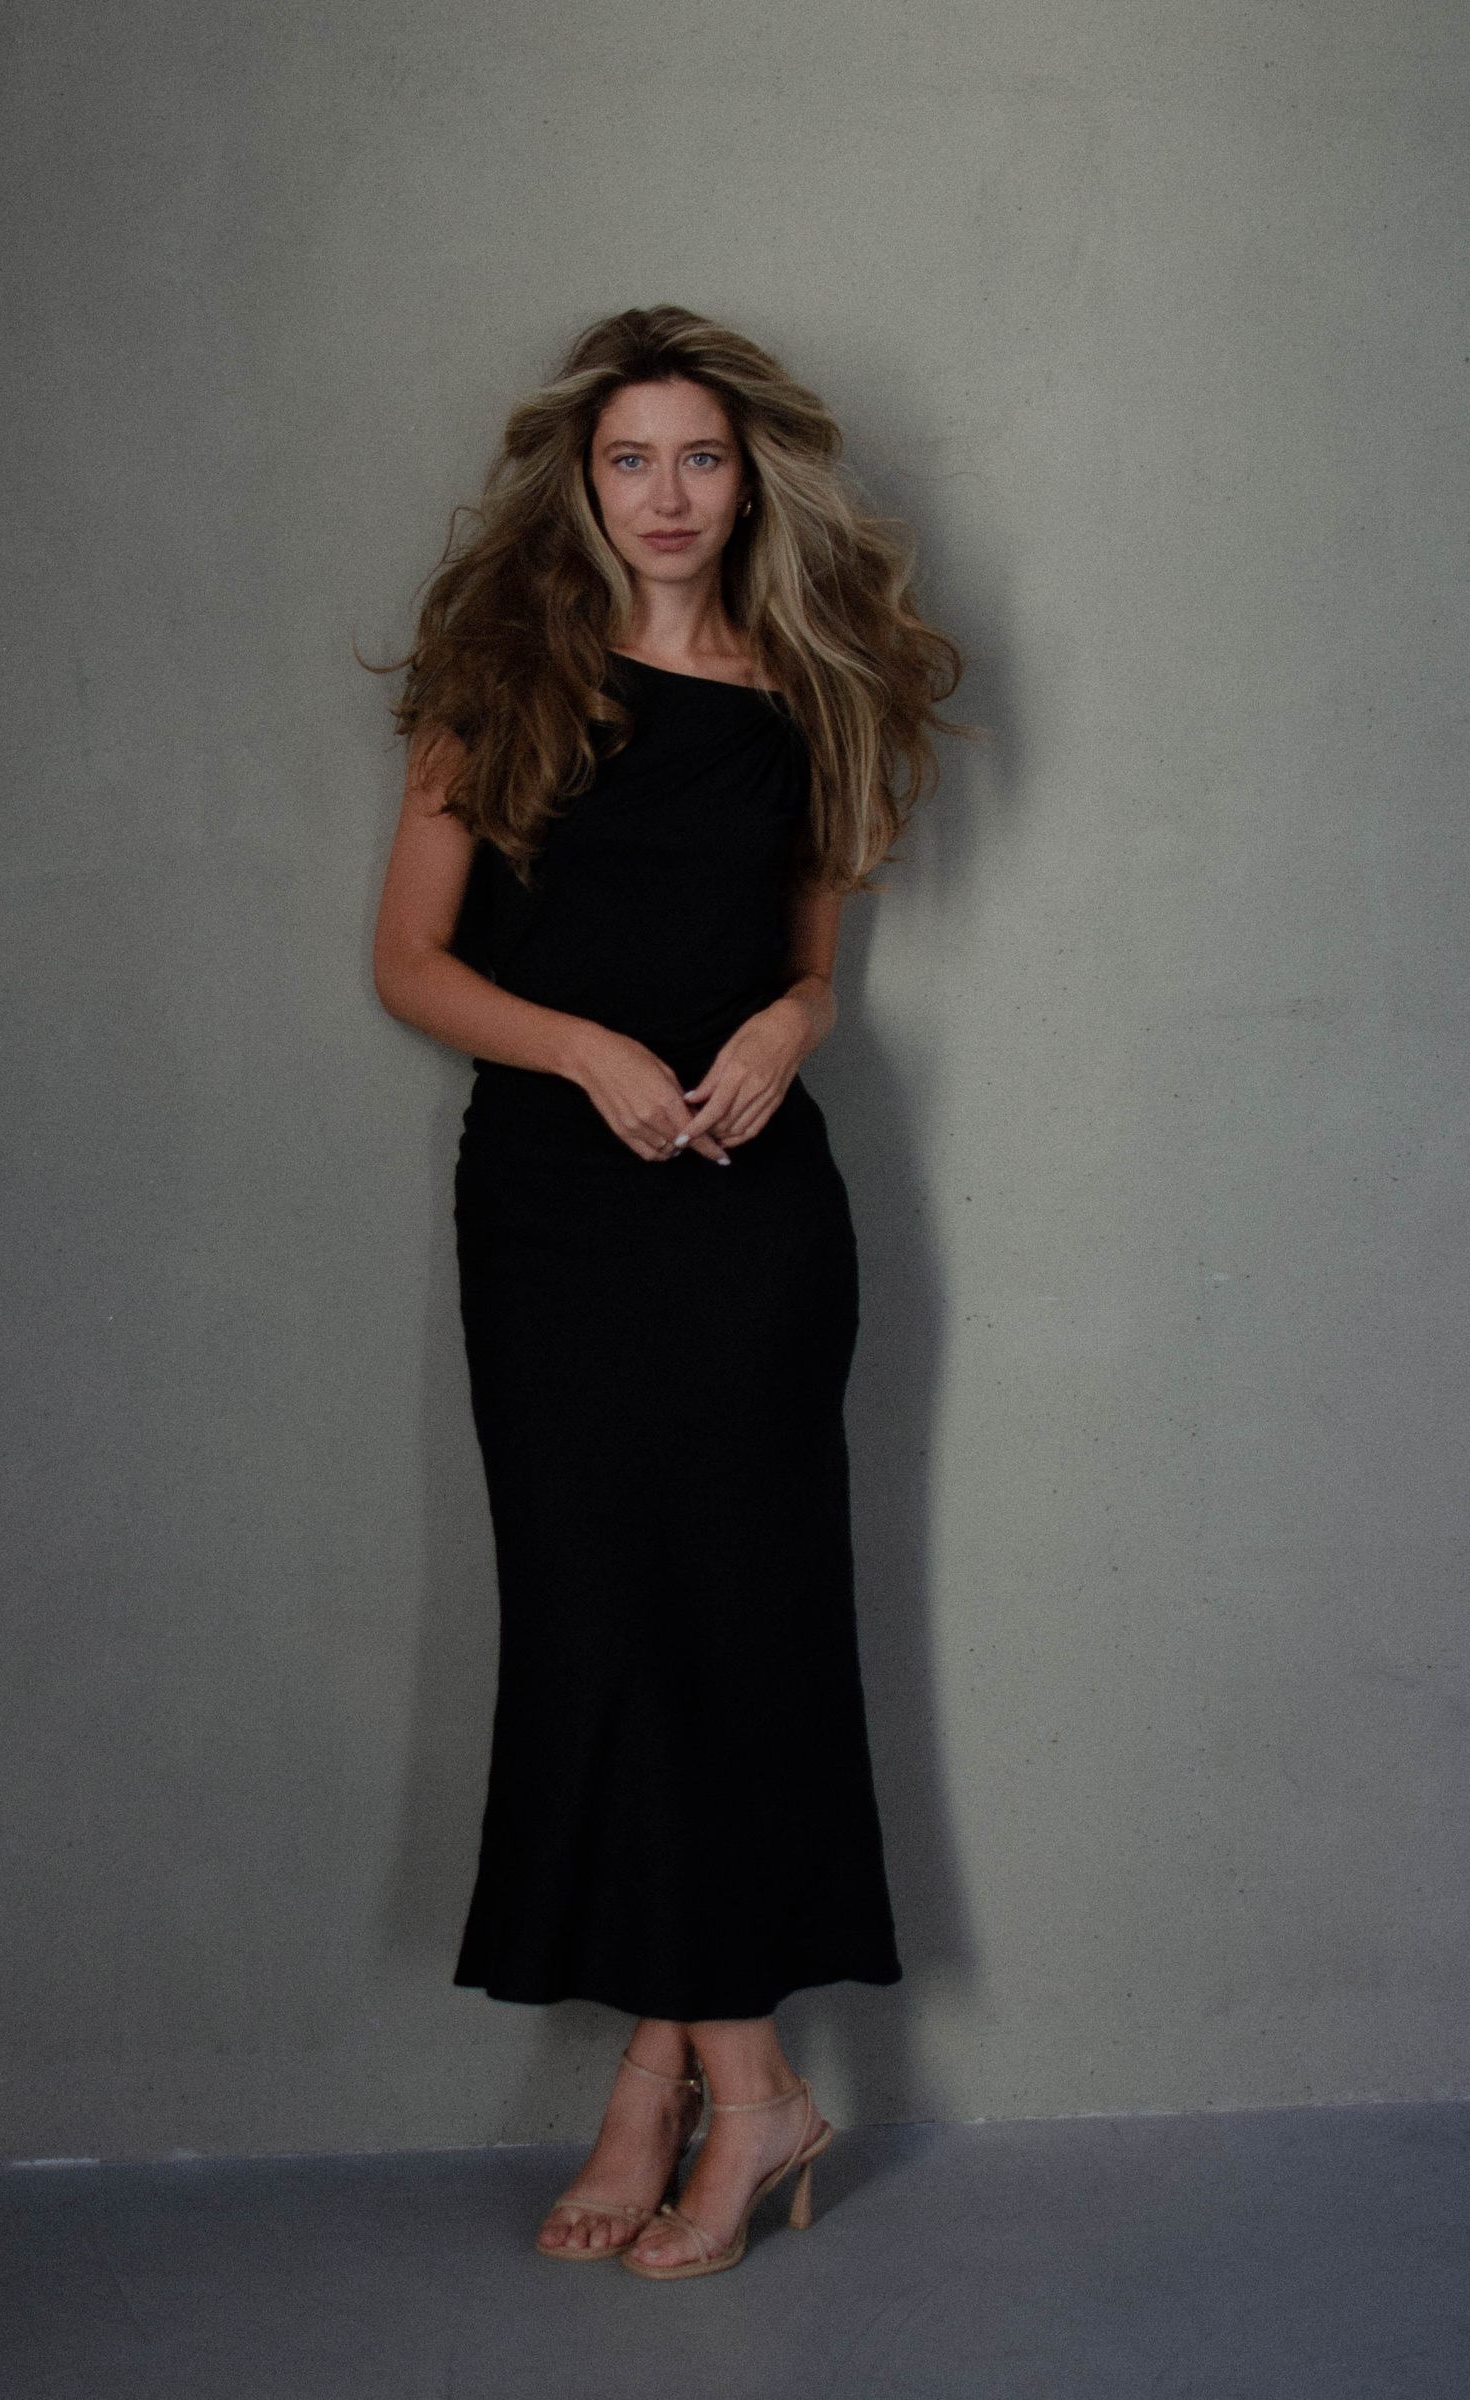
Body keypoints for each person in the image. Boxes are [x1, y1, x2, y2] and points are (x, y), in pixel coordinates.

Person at [372, 306, 961, 2280]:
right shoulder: (500, 681)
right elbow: (410, 962)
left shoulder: (809, 690)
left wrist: (789, 1026)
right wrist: (581, 1050)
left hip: (750, 1213)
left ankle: (664, 2082)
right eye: (631, 459)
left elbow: (808, 966)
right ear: (581, 481)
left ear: (748, 475)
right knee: (602, 1625)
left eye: (699, 457)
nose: (668, 495)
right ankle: (739, 2082)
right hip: (554, 1212)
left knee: (727, 1634)